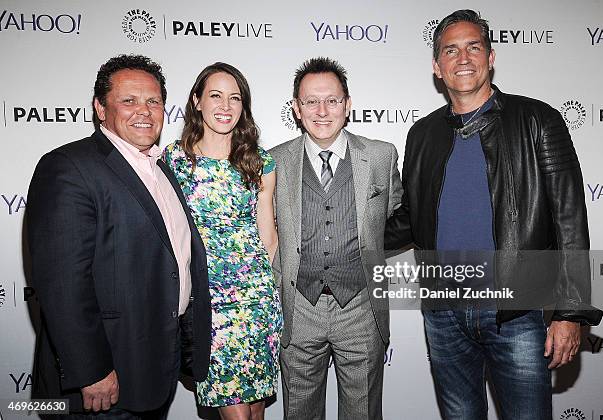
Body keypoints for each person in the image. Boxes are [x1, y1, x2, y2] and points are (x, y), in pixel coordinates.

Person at [384, 10, 603, 419]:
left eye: (473, 47)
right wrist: (342, 239)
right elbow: (412, 219)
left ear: (491, 56)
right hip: (443, 312)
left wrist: (571, 312)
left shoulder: (537, 119)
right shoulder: (422, 134)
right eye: (451, 50)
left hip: (515, 311)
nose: (463, 58)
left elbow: (570, 218)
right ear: (437, 66)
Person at [26, 54, 211, 418]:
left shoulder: (160, 168)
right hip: (102, 380)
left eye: (153, 101)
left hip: (152, 366)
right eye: (128, 101)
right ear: (100, 107)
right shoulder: (68, 167)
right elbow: (63, 283)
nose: (144, 111)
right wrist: (90, 370)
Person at [269, 57, 402, 420]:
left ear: (348, 104)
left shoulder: (380, 156)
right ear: (296, 108)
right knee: (300, 413)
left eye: (332, 100)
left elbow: (396, 217)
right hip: (298, 307)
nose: (322, 111)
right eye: (311, 101)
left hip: (360, 306)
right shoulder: (274, 161)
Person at [162, 62, 281, 420]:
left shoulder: (260, 162)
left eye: (235, 98)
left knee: (256, 410)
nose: (225, 106)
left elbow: (269, 236)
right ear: (197, 101)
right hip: (208, 304)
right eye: (215, 96)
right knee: (237, 416)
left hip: (256, 300)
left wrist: (264, 290)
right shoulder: (174, 160)